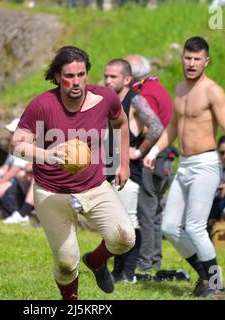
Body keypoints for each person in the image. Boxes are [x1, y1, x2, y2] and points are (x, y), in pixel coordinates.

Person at [11, 46, 135, 300]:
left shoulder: (106, 98)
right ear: (57, 76)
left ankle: (96, 261)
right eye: (69, 76)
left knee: (124, 238)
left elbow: (120, 123)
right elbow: (16, 145)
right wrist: (47, 155)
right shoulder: (42, 105)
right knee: (67, 263)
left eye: (81, 74)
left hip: (93, 186)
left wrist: (123, 163)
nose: (76, 82)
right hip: (50, 191)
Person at [143, 36, 225, 300]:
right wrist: (153, 151)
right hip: (185, 165)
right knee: (169, 226)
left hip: (206, 164)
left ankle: (217, 284)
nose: (191, 63)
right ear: (182, 59)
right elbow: (174, 128)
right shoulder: (179, 89)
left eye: (197, 59)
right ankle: (204, 276)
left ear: (205, 61)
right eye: (187, 57)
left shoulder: (213, 90)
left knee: (194, 226)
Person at [103, 58, 163, 283]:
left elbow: (156, 126)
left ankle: (127, 274)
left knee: (129, 222)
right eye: (106, 76)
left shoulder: (134, 100)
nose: (107, 80)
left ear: (127, 79)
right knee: (115, 223)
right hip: (107, 169)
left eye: (113, 77)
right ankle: (118, 272)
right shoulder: (105, 100)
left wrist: (138, 151)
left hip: (130, 171)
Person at [125, 53, 174, 274]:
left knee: (145, 212)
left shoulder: (145, 93)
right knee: (153, 214)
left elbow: (152, 128)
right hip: (165, 158)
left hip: (154, 158)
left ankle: (143, 263)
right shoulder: (157, 87)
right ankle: (154, 261)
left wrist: (140, 149)